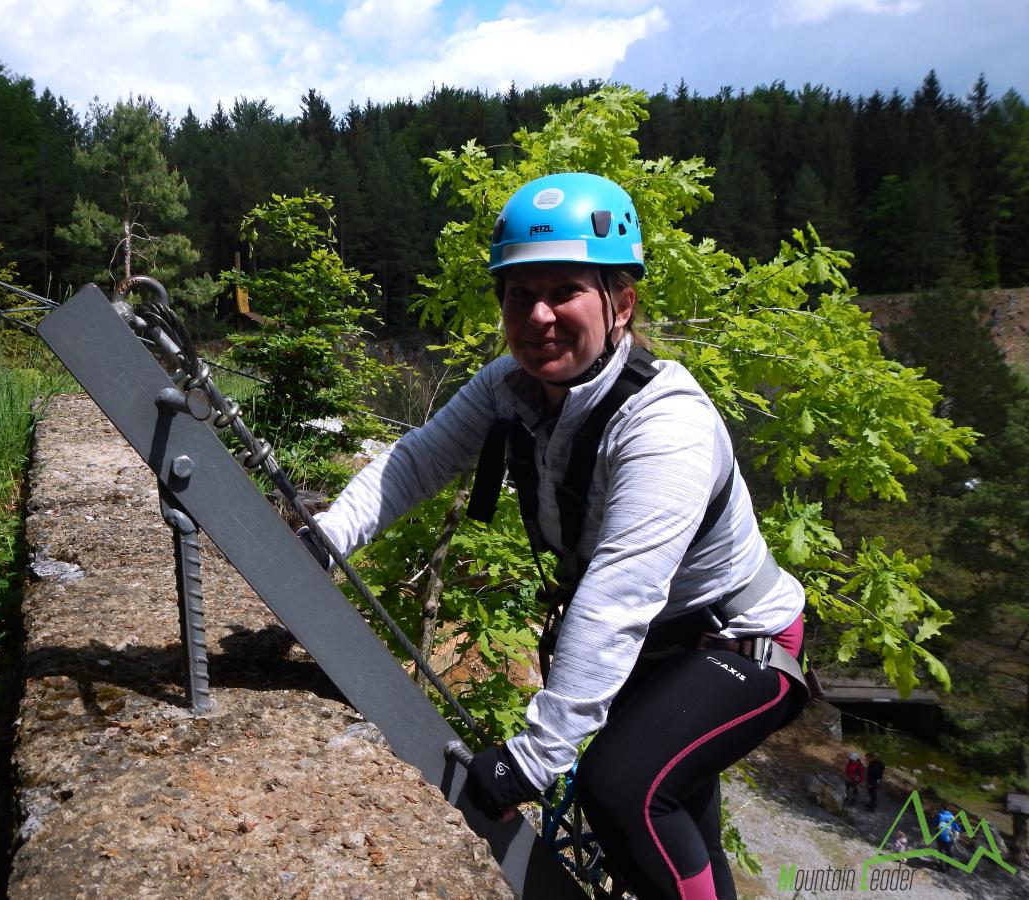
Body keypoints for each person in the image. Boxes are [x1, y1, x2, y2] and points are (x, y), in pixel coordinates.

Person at [304, 172, 809, 899]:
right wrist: (325, 538)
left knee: (624, 790)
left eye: (565, 290)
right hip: (659, 645)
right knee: (679, 823)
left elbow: (618, 593)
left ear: (620, 303)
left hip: (737, 640)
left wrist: (537, 757)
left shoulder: (666, 425)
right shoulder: (508, 388)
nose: (539, 316)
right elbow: (417, 461)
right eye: (519, 294)